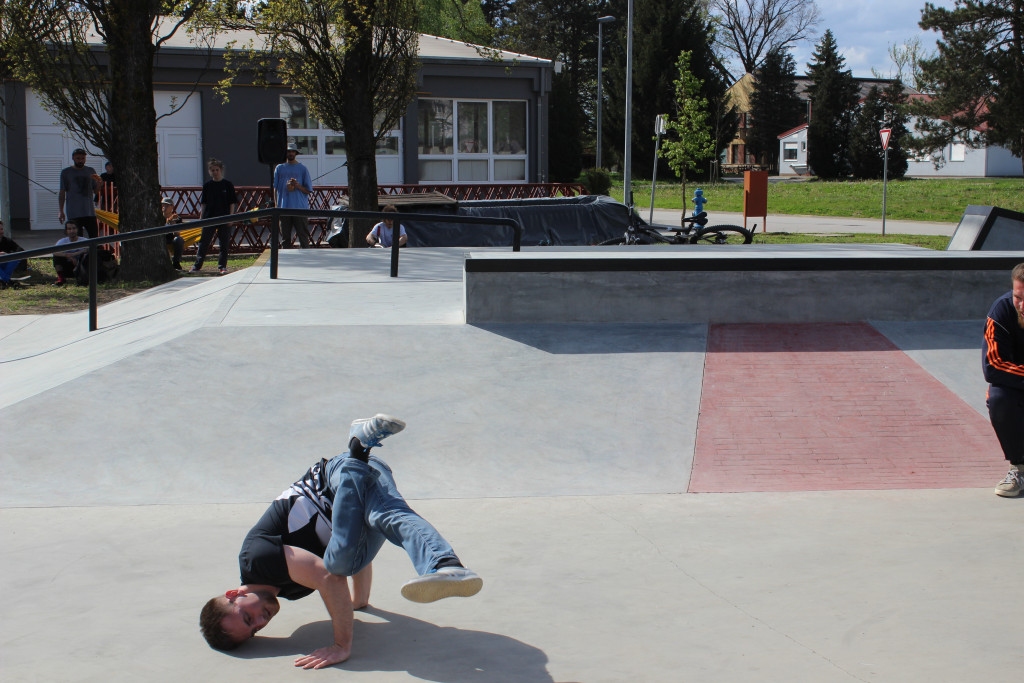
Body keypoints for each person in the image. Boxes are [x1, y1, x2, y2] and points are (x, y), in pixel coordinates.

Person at [199, 414, 482, 668]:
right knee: (385, 517)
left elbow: (330, 577)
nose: (262, 621)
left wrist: (341, 646)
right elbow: (354, 550)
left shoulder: (257, 560)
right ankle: (446, 565)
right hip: (361, 481)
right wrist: (359, 602)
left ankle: (357, 452)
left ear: (233, 594)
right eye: (256, 630)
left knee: (339, 563)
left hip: (335, 475)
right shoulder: (290, 590)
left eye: (248, 618)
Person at [984, 263, 1024, 497]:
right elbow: (993, 367)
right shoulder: (1001, 311)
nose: (1022, 306)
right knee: (998, 398)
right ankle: (1019, 467)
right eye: (1018, 297)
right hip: (1016, 384)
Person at [191, 158, 237, 275]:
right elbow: (204, 203)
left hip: (224, 217)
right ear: (209, 171)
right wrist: (201, 217)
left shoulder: (228, 185)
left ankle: (222, 266)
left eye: (217, 170)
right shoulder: (207, 185)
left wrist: (231, 217)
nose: (215, 172)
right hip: (209, 217)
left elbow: (232, 203)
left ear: (221, 170)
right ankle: (197, 266)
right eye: (212, 170)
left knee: (224, 244)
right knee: (203, 243)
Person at [273, 142, 313, 249]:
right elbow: (275, 188)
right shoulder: (279, 168)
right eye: (288, 151)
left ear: (296, 153)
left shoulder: (303, 169)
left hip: (299, 208)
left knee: (303, 237)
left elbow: (308, 190)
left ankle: (306, 257)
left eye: (292, 151)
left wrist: (297, 185)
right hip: (283, 208)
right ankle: (286, 258)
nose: (290, 153)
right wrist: (276, 205)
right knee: (285, 238)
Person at [58, 148, 101, 238]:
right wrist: (61, 211)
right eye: (78, 158)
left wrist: (99, 184)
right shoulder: (66, 172)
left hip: (89, 212)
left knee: (94, 237)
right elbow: (62, 192)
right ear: (73, 158)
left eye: (82, 158)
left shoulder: (90, 171)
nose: (80, 161)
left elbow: (96, 191)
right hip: (74, 213)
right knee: (76, 239)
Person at [52, 220, 89, 286]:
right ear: (66, 231)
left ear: (77, 229)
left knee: (87, 256)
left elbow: (90, 249)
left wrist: (74, 254)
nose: (72, 231)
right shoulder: (62, 241)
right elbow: (54, 252)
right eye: (69, 229)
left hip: (81, 267)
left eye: (74, 228)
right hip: (68, 268)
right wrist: (67, 255)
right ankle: (61, 279)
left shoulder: (84, 240)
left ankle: (85, 278)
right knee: (57, 257)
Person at [0, 218, 28, 287]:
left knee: (15, 258)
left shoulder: (7, 240)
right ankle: (7, 280)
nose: (1, 231)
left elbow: (20, 249)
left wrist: (10, 254)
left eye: (1, 229)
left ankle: (3, 280)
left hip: (4, 263)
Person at [160, 197, 185, 271]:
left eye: (167, 205)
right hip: (159, 238)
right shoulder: (157, 217)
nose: (164, 207)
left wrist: (173, 224)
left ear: (172, 207)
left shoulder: (177, 218)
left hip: (170, 238)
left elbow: (177, 234)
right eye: (163, 205)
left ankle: (176, 263)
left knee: (179, 240)